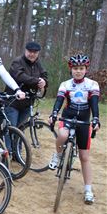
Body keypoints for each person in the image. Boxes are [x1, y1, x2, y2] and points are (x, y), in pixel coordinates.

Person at [48, 54, 100, 205]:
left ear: (86, 69)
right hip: (68, 117)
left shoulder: (92, 84)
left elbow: (95, 104)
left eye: (81, 68)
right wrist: (54, 113)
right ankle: (57, 156)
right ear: (71, 69)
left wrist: (95, 119)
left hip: (84, 121)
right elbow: (59, 101)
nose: (78, 71)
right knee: (63, 135)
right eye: (75, 68)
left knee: (84, 157)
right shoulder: (65, 84)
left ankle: (88, 190)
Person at [5, 41, 48, 127]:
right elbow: (21, 77)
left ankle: (18, 141)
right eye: (30, 51)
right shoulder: (17, 62)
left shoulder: (37, 63)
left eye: (35, 52)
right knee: (11, 129)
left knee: (21, 129)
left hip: (28, 103)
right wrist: (37, 81)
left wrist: (44, 81)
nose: (32, 54)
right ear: (25, 51)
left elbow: (44, 74)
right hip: (13, 103)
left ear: (38, 53)